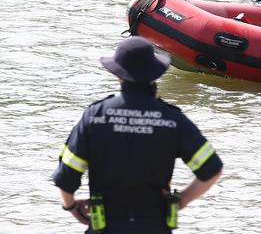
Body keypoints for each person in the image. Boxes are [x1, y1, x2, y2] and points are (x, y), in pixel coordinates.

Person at [53, 36, 223, 234]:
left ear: (118, 74)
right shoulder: (171, 119)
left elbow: (67, 176)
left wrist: (71, 206)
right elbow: (211, 169)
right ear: (154, 73)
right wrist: (181, 200)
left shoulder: (95, 116)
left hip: (106, 227)